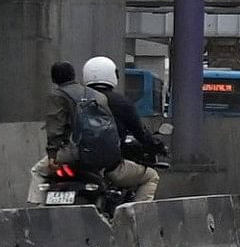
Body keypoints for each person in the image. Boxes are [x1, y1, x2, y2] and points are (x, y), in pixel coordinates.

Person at [46, 54, 159, 208]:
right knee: (151, 176)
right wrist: (155, 146)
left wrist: (53, 154)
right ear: (113, 75)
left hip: (73, 156)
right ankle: (135, 217)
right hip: (107, 162)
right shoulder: (116, 102)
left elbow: (57, 126)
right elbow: (141, 133)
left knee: (39, 172)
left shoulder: (79, 98)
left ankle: (36, 209)